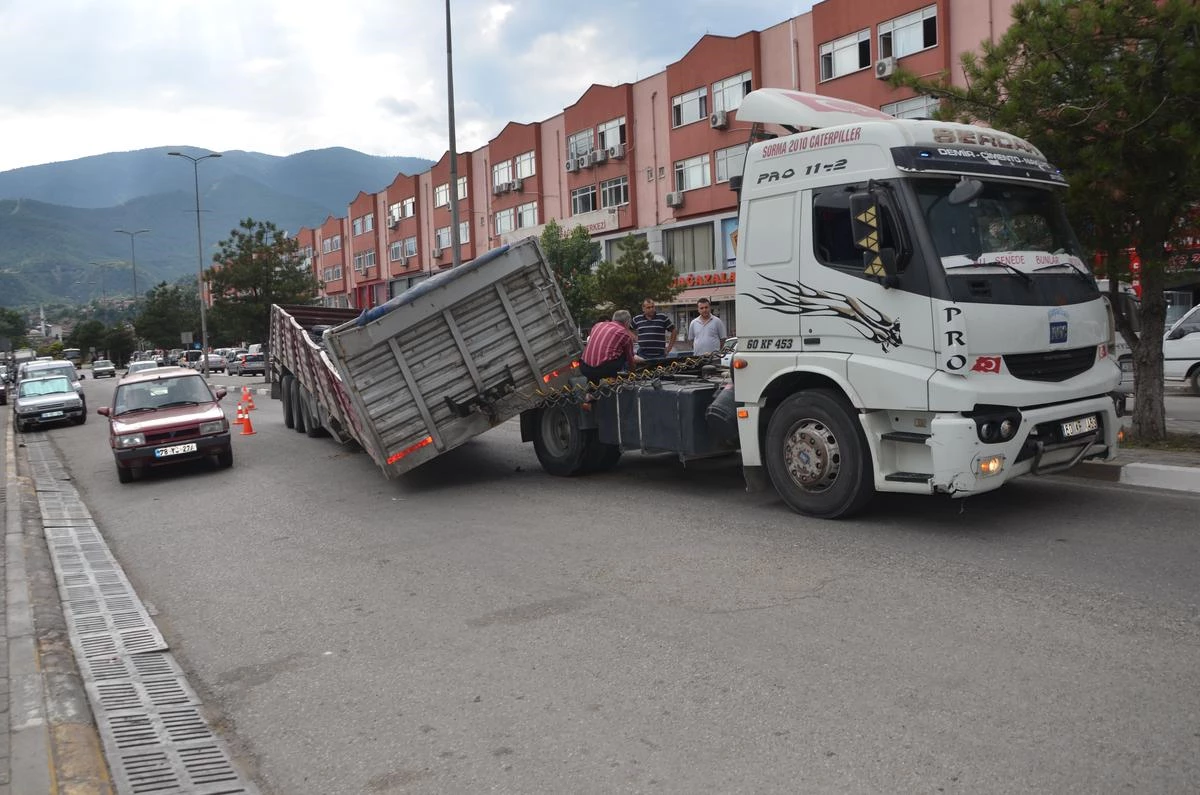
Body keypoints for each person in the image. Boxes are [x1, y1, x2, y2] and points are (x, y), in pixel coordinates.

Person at [581, 309, 639, 382]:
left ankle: (591, 388)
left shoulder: (597, 325)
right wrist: (633, 374)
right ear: (627, 322)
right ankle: (613, 378)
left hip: (584, 367)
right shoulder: (624, 333)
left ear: (613, 319)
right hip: (604, 370)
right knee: (625, 352)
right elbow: (630, 359)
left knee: (596, 366)